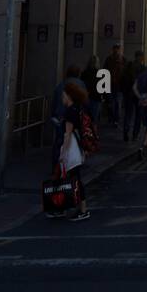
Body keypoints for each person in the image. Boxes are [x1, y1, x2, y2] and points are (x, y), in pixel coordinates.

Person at [59, 80, 91, 221]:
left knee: (75, 179)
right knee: (72, 178)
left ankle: (82, 210)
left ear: (69, 96)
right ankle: (66, 206)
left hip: (71, 149)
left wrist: (63, 153)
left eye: (64, 95)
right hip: (77, 148)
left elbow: (68, 134)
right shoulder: (78, 108)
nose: (62, 98)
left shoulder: (70, 112)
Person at [50, 64, 86, 168]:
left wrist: (53, 114)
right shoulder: (81, 84)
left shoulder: (60, 84)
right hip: (73, 116)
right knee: (73, 140)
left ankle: (56, 165)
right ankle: (70, 164)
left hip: (60, 116)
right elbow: (84, 101)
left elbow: (55, 100)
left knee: (59, 141)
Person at [121, 50, 145, 143]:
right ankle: (135, 135)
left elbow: (122, 80)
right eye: (142, 56)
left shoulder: (128, 67)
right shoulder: (143, 68)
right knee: (138, 115)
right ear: (140, 57)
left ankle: (126, 132)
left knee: (128, 114)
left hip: (128, 94)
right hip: (139, 95)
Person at [103, 45, 125, 126]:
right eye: (115, 49)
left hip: (118, 86)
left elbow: (125, 73)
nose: (116, 51)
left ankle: (116, 119)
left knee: (117, 103)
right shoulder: (109, 59)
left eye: (117, 49)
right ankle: (112, 118)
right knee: (111, 103)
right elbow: (104, 71)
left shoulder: (122, 60)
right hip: (110, 84)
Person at [81, 54, 101, 124]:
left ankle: (86, 133)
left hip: (86, 97)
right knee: (94, 120)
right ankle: (93, 133)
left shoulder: (84, 73)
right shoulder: (100, 73)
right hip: (96, 98)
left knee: (85, 119)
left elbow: (82, 85)